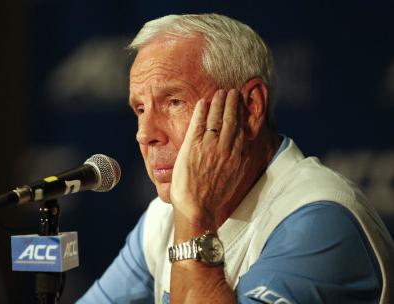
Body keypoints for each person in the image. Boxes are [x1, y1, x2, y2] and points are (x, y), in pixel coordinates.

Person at [78, 13, 394, 303]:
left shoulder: (322, 220)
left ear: (251, 108)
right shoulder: (161, 219)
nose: (145, 134)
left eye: (174, 101)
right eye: (141, 109)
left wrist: (195, 213)